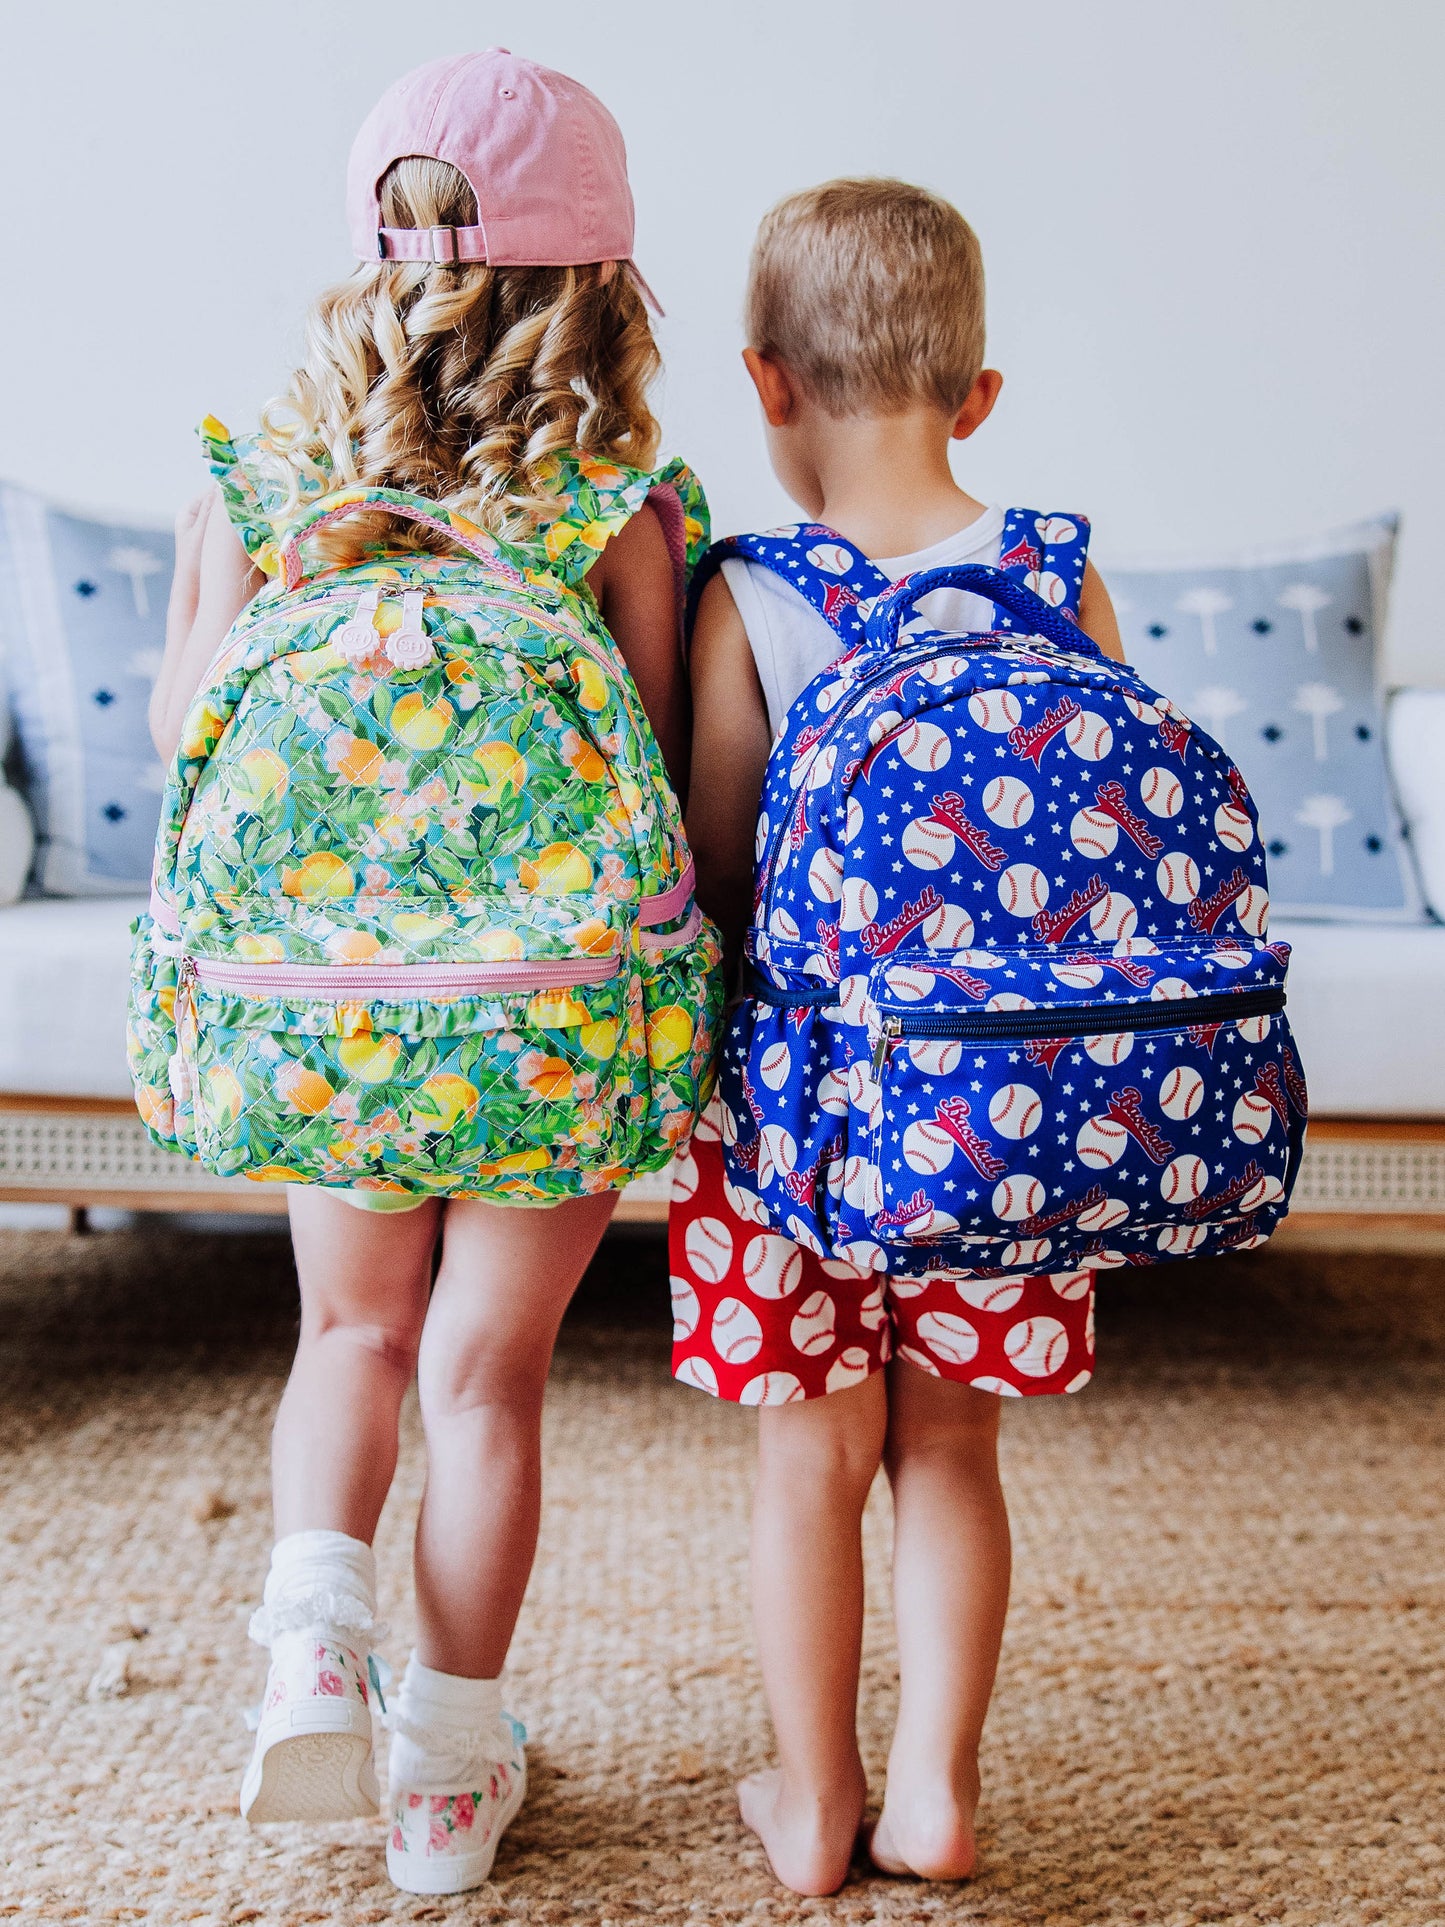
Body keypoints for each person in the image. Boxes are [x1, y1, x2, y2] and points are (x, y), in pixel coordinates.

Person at [150, 51, 708, 1897]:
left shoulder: (262, 469)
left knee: (351, 1338)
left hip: (328, 1008)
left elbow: (182, 735)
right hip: (544, 1014)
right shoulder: (625, 498)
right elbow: (664, 770)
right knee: (484, 1381)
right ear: (602, 277)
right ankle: (448, 1780)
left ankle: (314, 1632)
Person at [677, 178, 1125, 1897]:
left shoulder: (754, 596)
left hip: (796, 1119)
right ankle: (933, 1796)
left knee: (812, 1458)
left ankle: (810, 1803)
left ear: (764, 382)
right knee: (950, 1447)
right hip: (1017, 1108)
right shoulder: (1058, 573)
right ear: (978, 394)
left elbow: (717, 868)